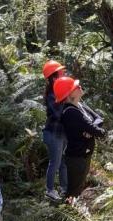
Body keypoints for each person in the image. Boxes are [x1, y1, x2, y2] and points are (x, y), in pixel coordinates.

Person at [54, 77, 106, 198]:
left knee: (77, 188)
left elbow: (98, 119)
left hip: (83, 155)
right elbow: (99, 132)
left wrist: (90, 130)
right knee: (73, 191)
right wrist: (92, 130)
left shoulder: (79, 106)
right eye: (75, 87)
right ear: (69, 94)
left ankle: (70, 210)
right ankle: (66, 213)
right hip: (77, 158)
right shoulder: (71, 112)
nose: (79, 87)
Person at [41, 60, 67, 200]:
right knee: (55, 163)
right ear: (54, 77)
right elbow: (58, 115)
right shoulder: (52, 95)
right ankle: (49, 190)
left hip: (62, 134)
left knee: (64, 162)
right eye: (60, 72)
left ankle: (64, 188)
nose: (64, 73)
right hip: (53, 134)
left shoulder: (61, 91)